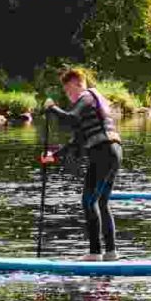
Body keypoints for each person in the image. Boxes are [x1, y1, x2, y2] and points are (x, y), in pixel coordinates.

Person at [40, 68, 123, 261]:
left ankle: (95, 253)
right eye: (66, 93)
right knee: (101, 202)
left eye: (70, 91)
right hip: (114, 152)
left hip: (103, 153)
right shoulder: (90, 105)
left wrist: (51, 108)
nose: (69, 97)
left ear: (79, 84)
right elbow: (76, 143)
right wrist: (53, 156)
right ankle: (111, 252)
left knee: (88, 201)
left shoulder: (86, 97)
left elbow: (70, 118)